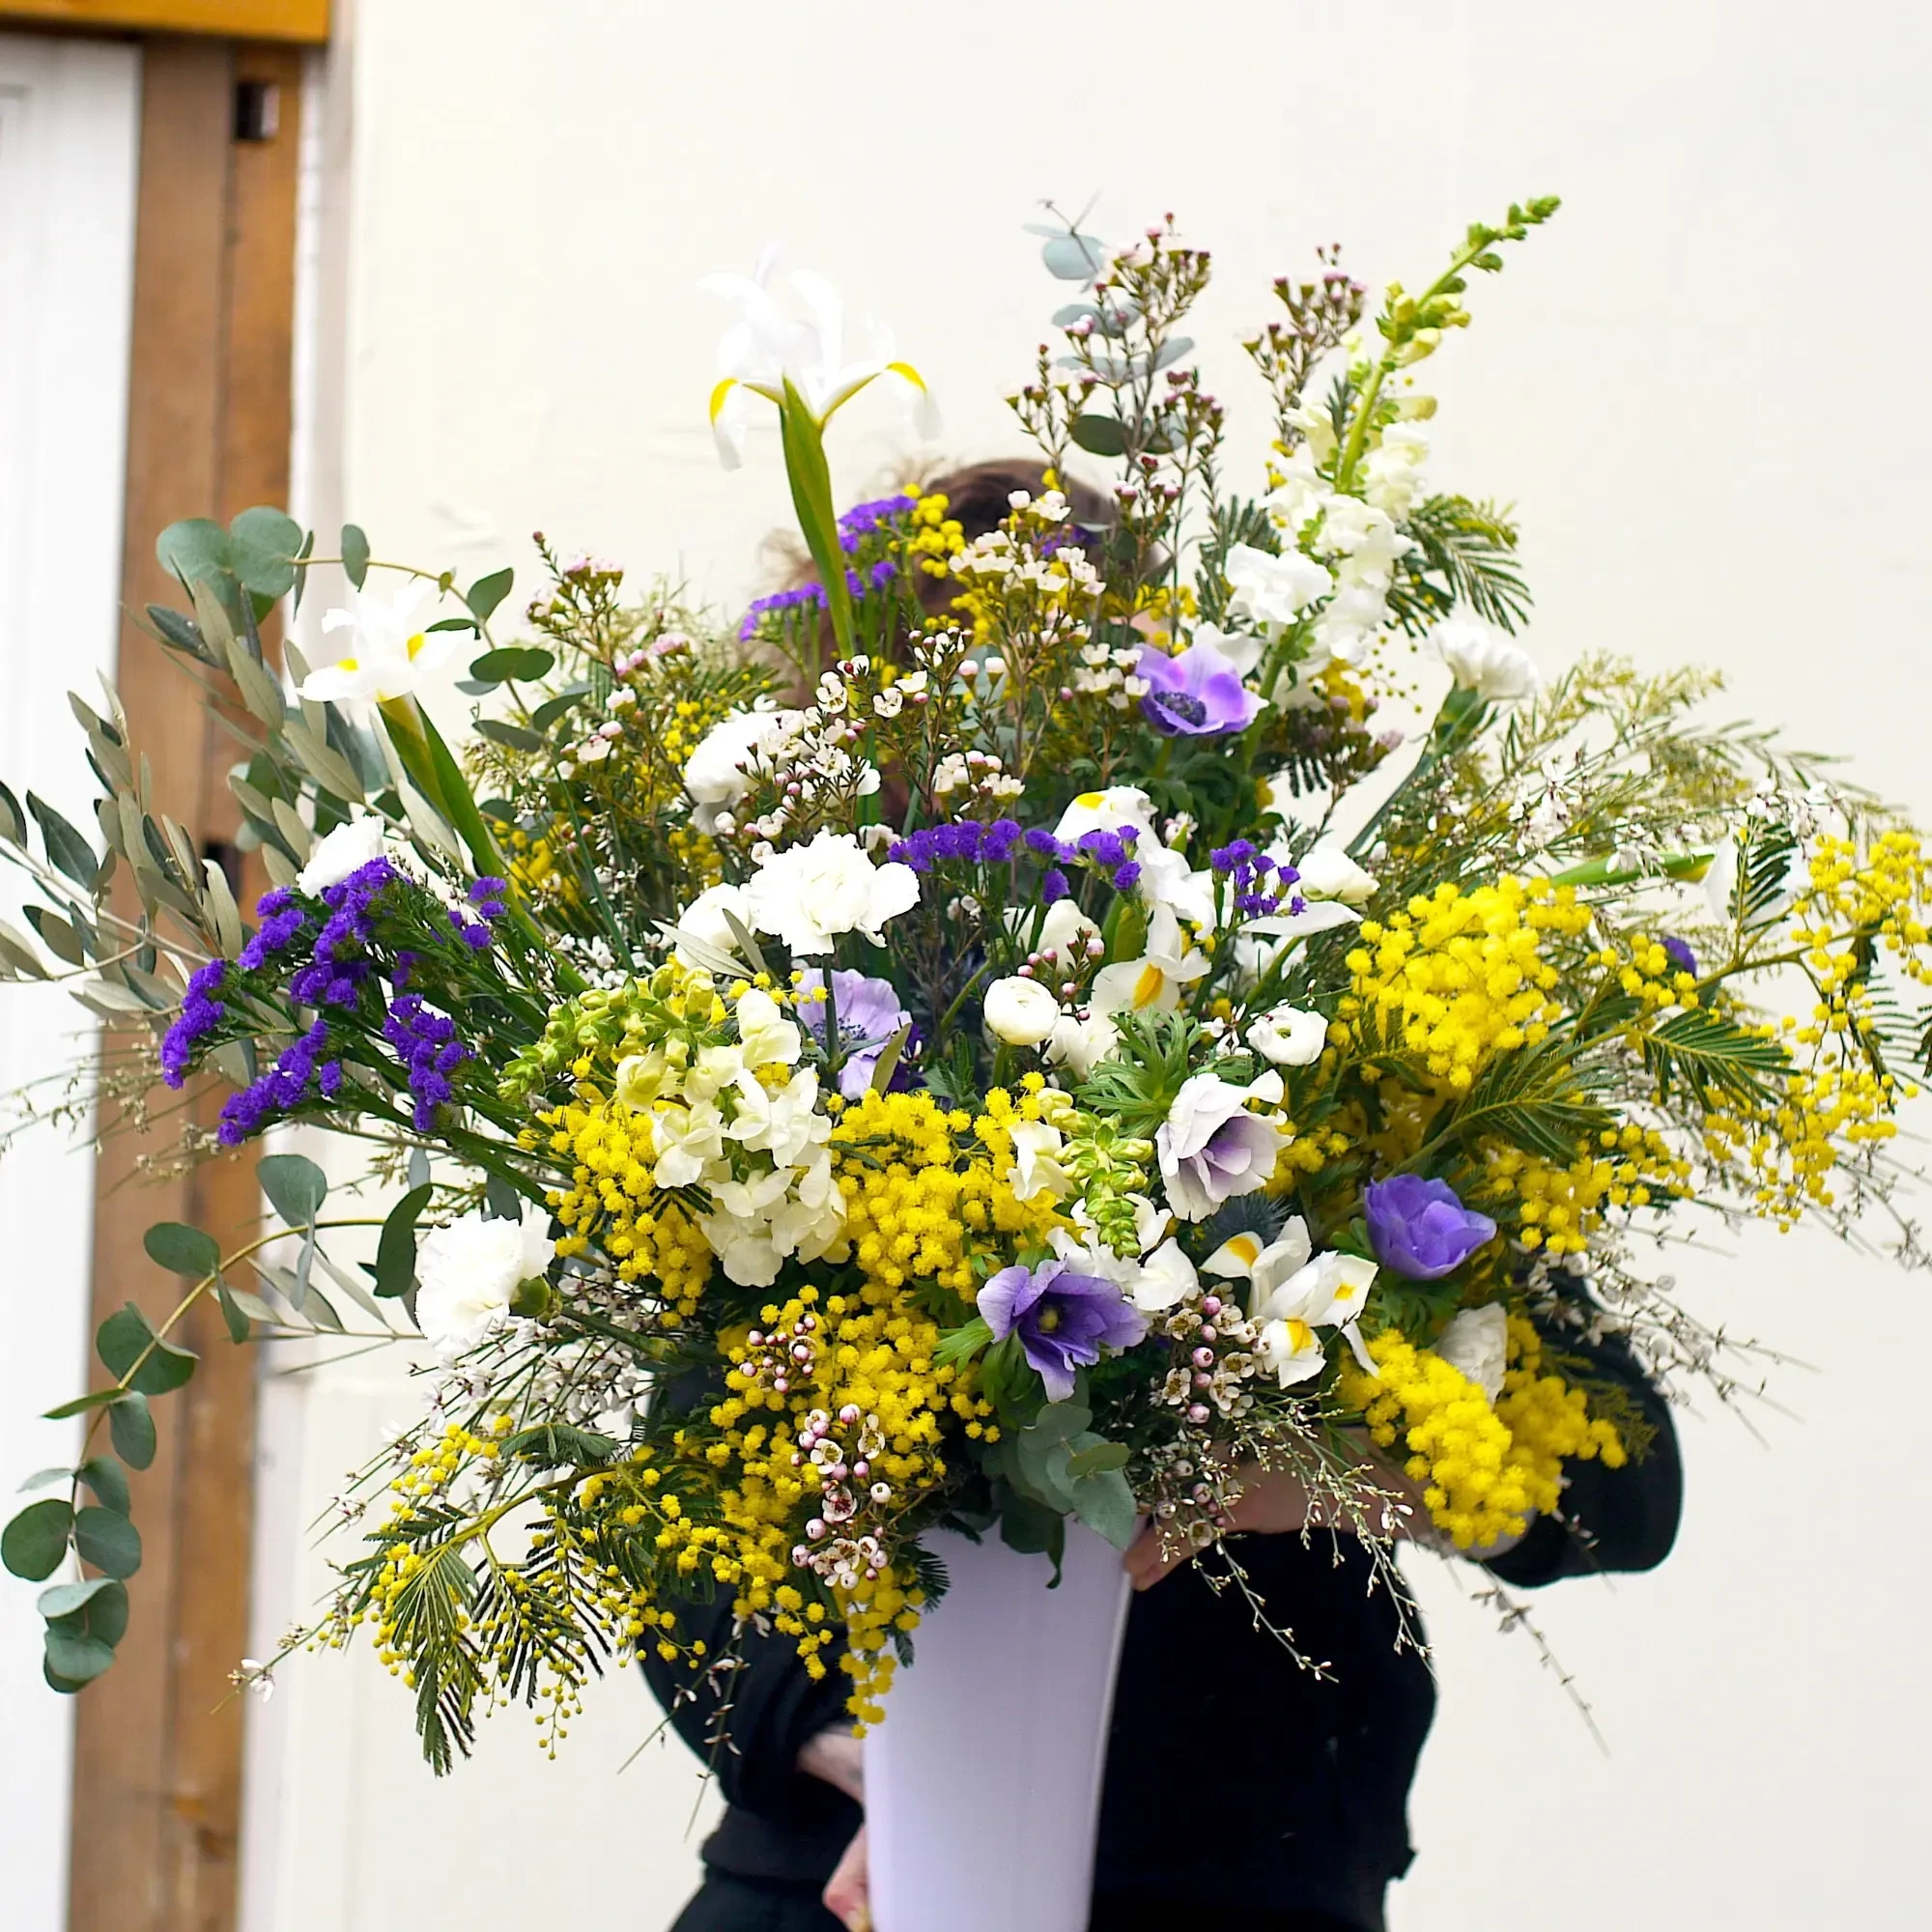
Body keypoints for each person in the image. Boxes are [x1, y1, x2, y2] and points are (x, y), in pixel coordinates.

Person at [641, 468, 1686, 1932]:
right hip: (847, 1891)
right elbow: (678, 1535)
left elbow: (1626, 1491)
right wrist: (907, 1781)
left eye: (1063, 683)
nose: (1008, 746)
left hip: (1248, 1867)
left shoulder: (1327, 1036)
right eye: (960, 689)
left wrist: (1286, 1476)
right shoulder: (767, 1054)